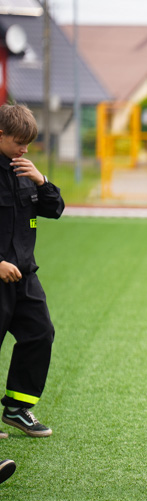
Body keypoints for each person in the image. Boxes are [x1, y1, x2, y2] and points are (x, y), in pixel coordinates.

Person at [0, 104, 63, 438]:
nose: (24, 148)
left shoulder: (24, 170)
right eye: (18, 141)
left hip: (25, 277)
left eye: (28, 142)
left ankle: (17, 408)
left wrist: (42, 181)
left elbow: (55, 210)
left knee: (41, 333)